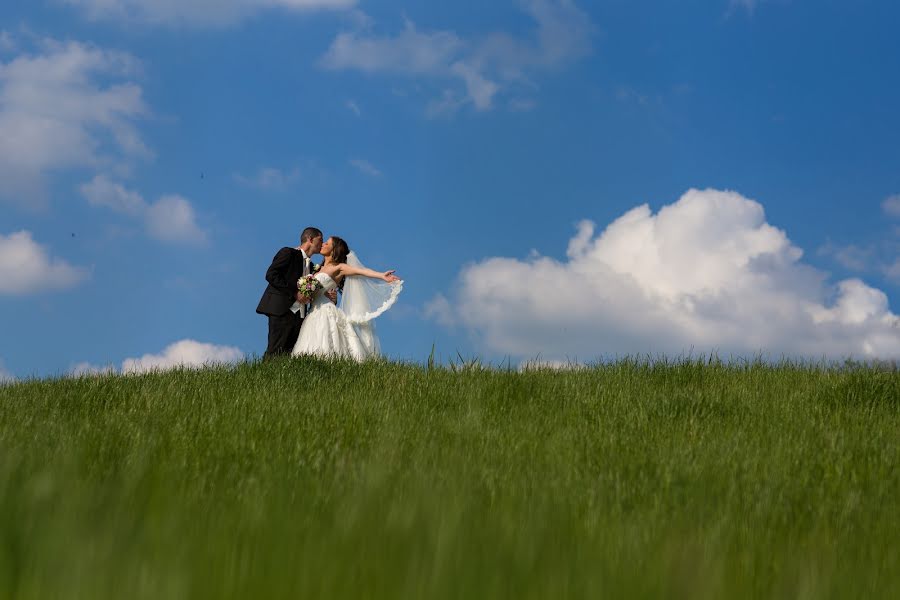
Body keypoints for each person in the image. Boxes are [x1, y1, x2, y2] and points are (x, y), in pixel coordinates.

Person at [292, 236, 402, 361]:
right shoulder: (317, 269)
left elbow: (361, 271)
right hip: (313, 311)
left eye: (327, 243)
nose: (322, 244)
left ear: (334, 250)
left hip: (325, 311)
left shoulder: (338, 267)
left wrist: (382, 275)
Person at [256, 227, 323, 358]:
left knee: (290, 353)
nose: (322, 243)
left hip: (300, 315)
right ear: (310, 239)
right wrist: (295, 292)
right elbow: (271, 275)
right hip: (281, 309)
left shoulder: (312, 266)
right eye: (320, 240)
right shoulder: (288, 253)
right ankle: (264, 376)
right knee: (275, 350)